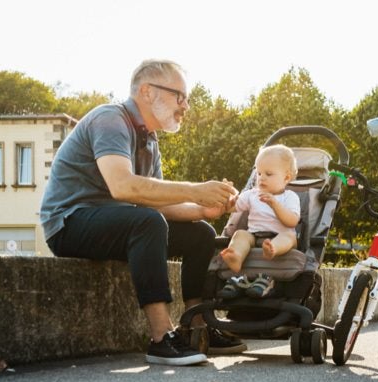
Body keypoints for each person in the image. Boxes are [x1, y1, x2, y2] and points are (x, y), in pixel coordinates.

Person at [40, 59, 247, 366]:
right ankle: (161, 337)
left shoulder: (150, 141)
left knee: (200, 232)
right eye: (180, 96)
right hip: (70, 222)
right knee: (147, 222)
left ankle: (197, 325)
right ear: (148, 92)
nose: (186, 105)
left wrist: (204, 207)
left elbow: (159, 202)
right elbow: (123, 187)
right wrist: (194, 189)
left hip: (118, 222)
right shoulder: (111, 119)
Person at [218, 144, 301, 299]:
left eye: (268, 174)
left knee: (289, 236)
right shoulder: (251, 194)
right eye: (259, 173)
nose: (261, 177)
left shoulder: (290, 197)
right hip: (254, 236)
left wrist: (274, 204)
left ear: (286, 177)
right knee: (240, 234)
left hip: (280, 236)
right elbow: (233, 208)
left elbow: (292, 221)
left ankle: (272, 249)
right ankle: (235, 256)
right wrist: (228, 200)